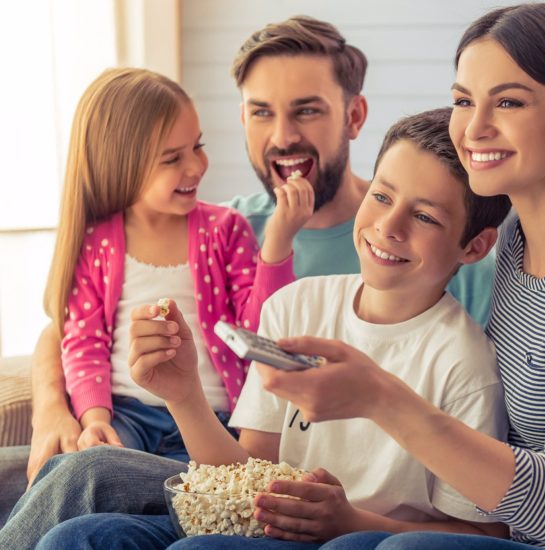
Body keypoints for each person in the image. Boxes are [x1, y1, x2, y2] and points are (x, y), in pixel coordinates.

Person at [0, 17, 496, 548]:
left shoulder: (459, 280)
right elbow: (75, 322)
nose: (283, 135)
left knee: (87, 477)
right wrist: (58, 408)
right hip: (217, 458)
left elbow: (479, 494)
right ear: (242, 117)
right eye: (262, 112)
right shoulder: (220, 226)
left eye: (306, 109)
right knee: (27, 481)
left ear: (354, 116)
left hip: (230, 464)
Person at [251, 4, 545, 548]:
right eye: (464, 100)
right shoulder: (515, 239)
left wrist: (382, 398)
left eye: (508, 101)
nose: (473, 127)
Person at [41, 66, 311, 460]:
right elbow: (84, 342)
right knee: (93, 470)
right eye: (172, 159)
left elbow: (259, 334)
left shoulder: (225, 229)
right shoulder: (96, 243)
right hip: (125, 418)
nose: (196, 166)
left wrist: (278, 241)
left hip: (212, 421)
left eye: (197, 146)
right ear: (121, 166)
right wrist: (94, 419)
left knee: (188, 495)